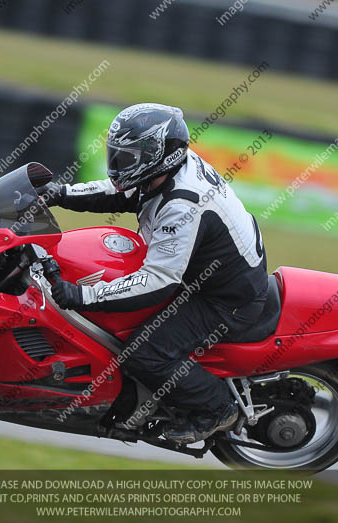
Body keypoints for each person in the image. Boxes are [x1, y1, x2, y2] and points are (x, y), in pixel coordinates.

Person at [38, 103, 268, 444]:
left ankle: (216, 409)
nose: (119, 165)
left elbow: (158, 281)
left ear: (159, 155)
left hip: (226, 297)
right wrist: (62, 193)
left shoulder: (182, 205)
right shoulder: (163, 173)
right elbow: (123, 192)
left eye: (127, 158)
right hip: (207, 275)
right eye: (117, 155)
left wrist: (83, 295)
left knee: (145, 352)